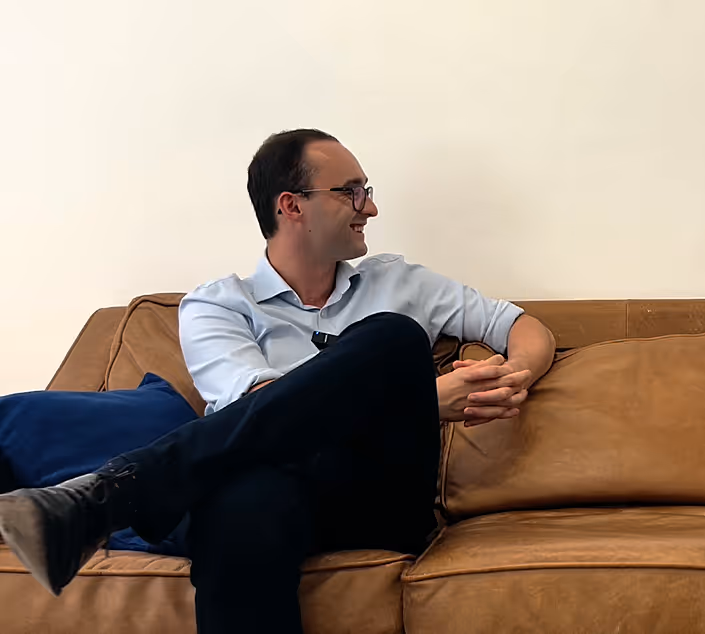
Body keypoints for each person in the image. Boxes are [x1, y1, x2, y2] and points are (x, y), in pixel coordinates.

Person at [0, 129, 556, 633]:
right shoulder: (216, 306)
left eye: (368, 191)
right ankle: (120, 493)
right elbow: (267, 411)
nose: (372, 207)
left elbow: (523, 327)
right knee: (239, 505)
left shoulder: (401, 281)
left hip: (383, 497)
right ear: (292, 206)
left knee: (392, 335)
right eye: (352, 192)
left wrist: (515, 373)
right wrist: (421, 399)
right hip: (279, 489)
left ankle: (116, 493)